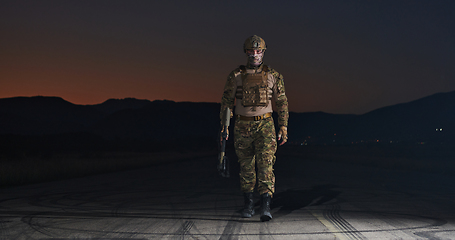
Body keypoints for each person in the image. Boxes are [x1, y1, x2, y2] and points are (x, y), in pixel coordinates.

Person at [220, 35, 289, 222]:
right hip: (242, 125)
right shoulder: (235, 76)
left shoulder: (274, 76)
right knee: (246, 167)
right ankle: (249, 204)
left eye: (259, 51)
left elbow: (282, 102)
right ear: (246, 52)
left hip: (265, 125)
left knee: (266, 165)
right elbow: (227, 102)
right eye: (251, 51)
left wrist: (283, 126)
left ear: (264, 52)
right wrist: (225, 126)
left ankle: (265, 206)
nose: (255, 54)